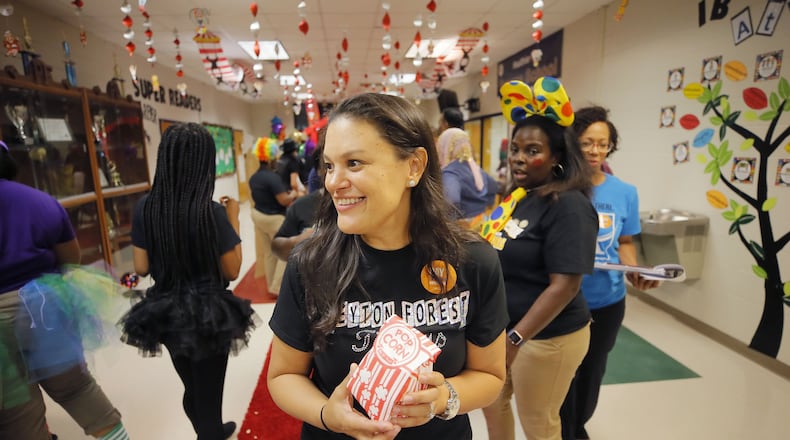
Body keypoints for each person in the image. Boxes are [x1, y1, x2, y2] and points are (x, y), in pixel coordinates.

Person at [267, 93, 509, 439]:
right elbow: (283, 376)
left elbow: (490, 376)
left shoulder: (473, 261)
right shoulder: (311, 263)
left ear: (413, 166)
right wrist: (326, 414)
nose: (333, 182)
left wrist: (443, 398)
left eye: (354, 163)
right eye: (330, 165)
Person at [118, 123, 259, 440]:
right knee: (210, 398)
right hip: (208, 313)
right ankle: (211, 432)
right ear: (205, 164)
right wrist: (233, 216)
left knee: (192, 387)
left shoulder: (145, 208)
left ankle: (211, 430)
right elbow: (232, 269)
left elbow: (140, 267)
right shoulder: (211, 212)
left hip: (164, 311)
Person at [481, 77, 599, 440]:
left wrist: (514, 340)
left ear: (558, 156)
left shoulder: (569, 206)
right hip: (504, 329)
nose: (518, 158)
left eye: (532, 150)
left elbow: (564, 286)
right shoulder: (520, 195)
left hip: (546, 338)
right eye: (515, 148)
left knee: (539, 424)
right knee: (493, 404)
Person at [0, 140, 130, 440]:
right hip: (43, 306)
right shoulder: (37, 200)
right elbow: (72, 258)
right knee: (77, 389)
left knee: (19, 415)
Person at [560, 106, 660, 440]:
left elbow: (626, 241)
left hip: (607, 301)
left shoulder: (625, 192)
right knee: (563, 374)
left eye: (603, 144)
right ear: (573, 142)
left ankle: (576, 426)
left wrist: (634, 270)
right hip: (561, 301)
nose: (595, 151)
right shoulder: (558, 188)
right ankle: (565, 430)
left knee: (591, 372)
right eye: (588, 143)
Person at [249, 137, 299, 293]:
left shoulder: (254, 177)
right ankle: (277, 286)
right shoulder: (272, 177)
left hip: (258, 215)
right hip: (273, 219)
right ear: (272, 156)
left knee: (269, 252)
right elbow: (283, 200)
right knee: (285, 251)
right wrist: (294, 194)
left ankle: (271, 285)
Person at [436, 127, 498, 224]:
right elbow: (493, 186)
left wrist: (450, 224)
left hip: (464, 228)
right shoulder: (475, 168)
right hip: (482, 222)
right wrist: (485, 206)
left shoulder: (451, 172)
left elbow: (451, 201)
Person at [271, 148, 323, 261]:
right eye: (329, 166)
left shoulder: (281, 162)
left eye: (352, 164)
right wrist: (298, 241)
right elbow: (276, 244)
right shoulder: (301, 206)